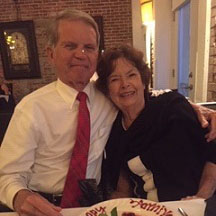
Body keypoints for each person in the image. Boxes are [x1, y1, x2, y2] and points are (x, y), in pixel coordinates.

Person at [0, 9, 215, 216]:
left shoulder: (106, 96)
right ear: (51, 54)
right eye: (70, 45)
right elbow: (6, 174)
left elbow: (144, 95)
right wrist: (20, 196)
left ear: (97, 54)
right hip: (44, 206)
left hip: (91, 203)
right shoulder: (31, 108)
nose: (80, 54)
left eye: (89, 47)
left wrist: (195, 108)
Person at [96, 44, 216, 202]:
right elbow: (123, 186)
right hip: (146, 210)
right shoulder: (115, 132)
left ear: (143, 81)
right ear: (107, 89)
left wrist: (201, 196)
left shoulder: (172, 109)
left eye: (131, 75)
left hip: (191, 205)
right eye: (115, 79)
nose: (125, 84)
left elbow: (212, 150)